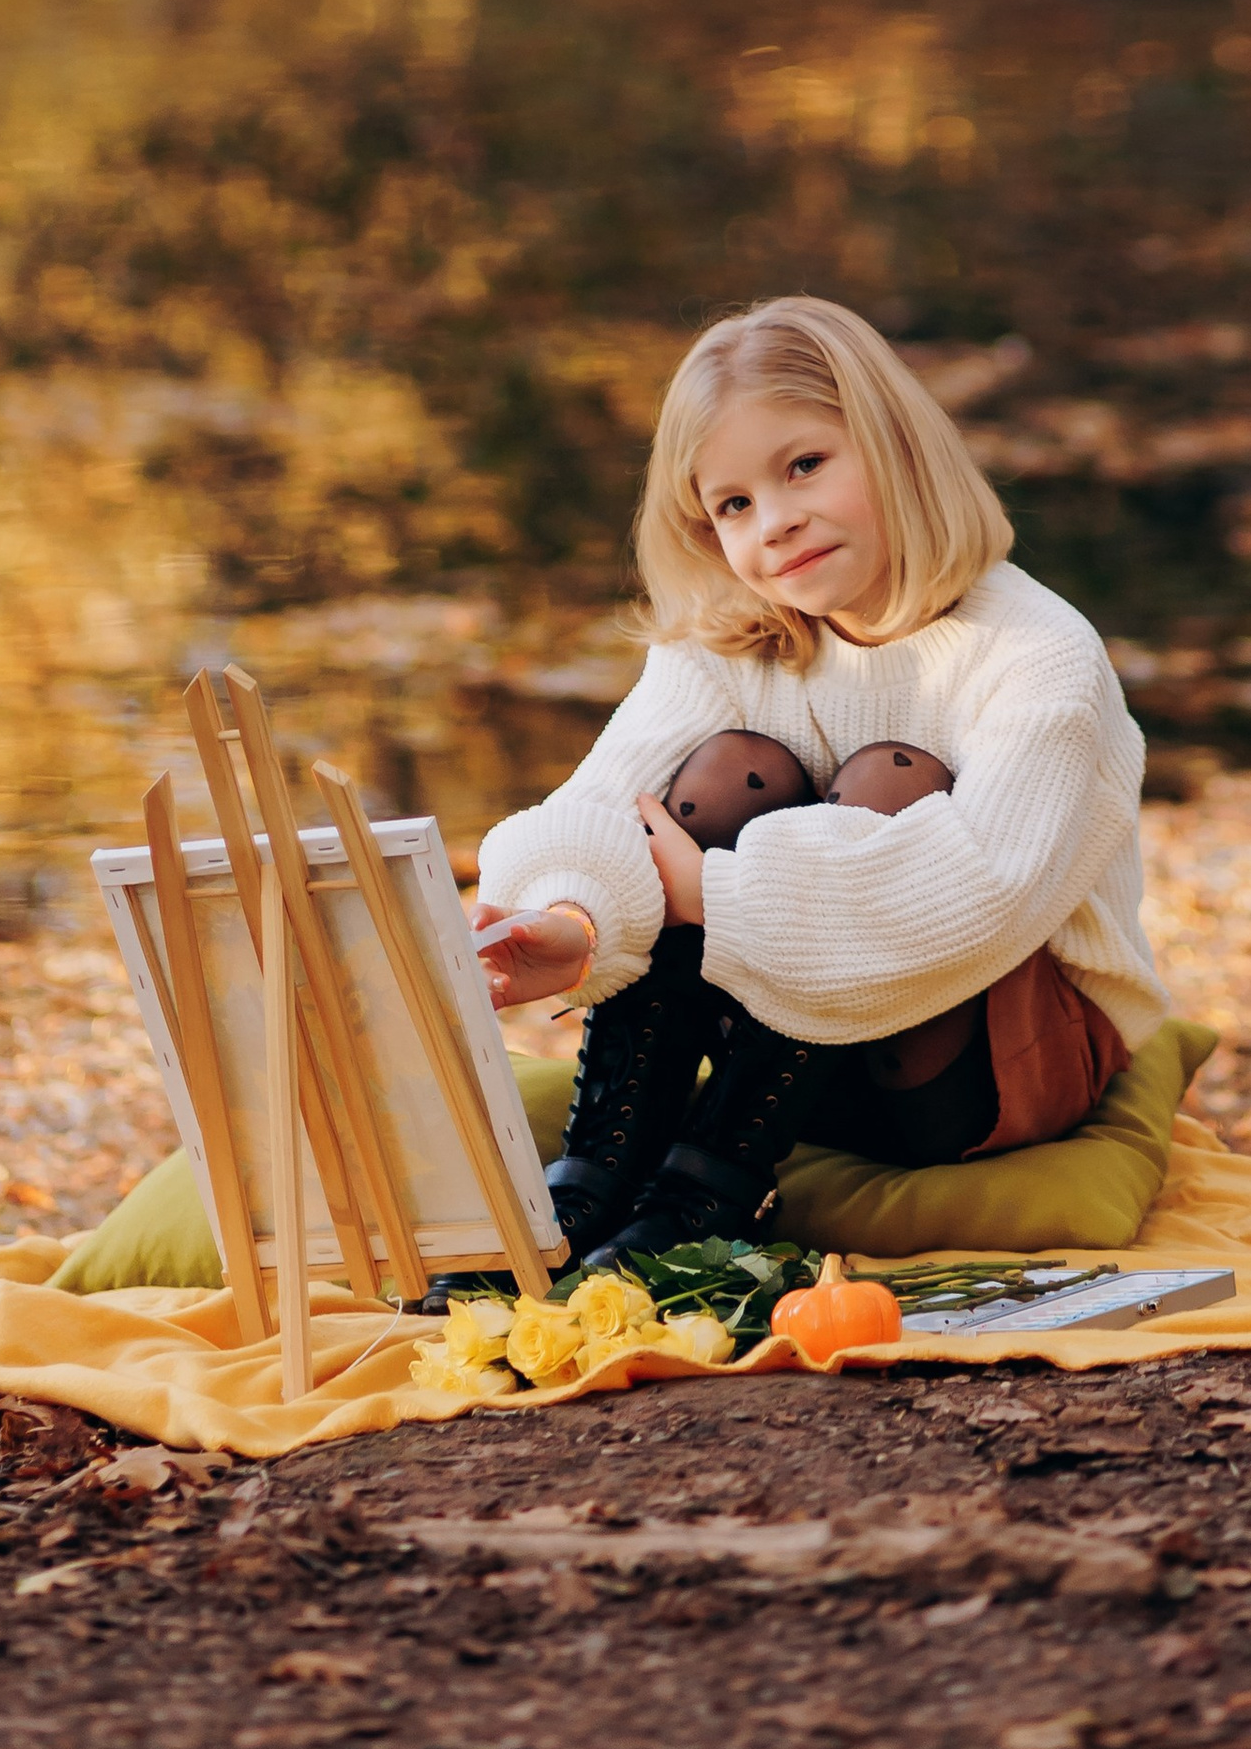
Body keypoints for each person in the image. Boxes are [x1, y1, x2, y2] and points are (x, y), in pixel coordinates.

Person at [467, 294, 1167, 1275]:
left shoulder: (1034, 653)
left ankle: (712, 1189)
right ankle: (603, 1170)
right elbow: (599, 807)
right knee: (724, 767)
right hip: (796, 1059)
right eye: (735, 505)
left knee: (893, 783)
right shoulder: (730, 645)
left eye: (803, 466)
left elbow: (978, 901)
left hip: (990, 1064)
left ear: (892, 444)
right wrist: (569, 926)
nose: (778, 521)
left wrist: (706, 892)